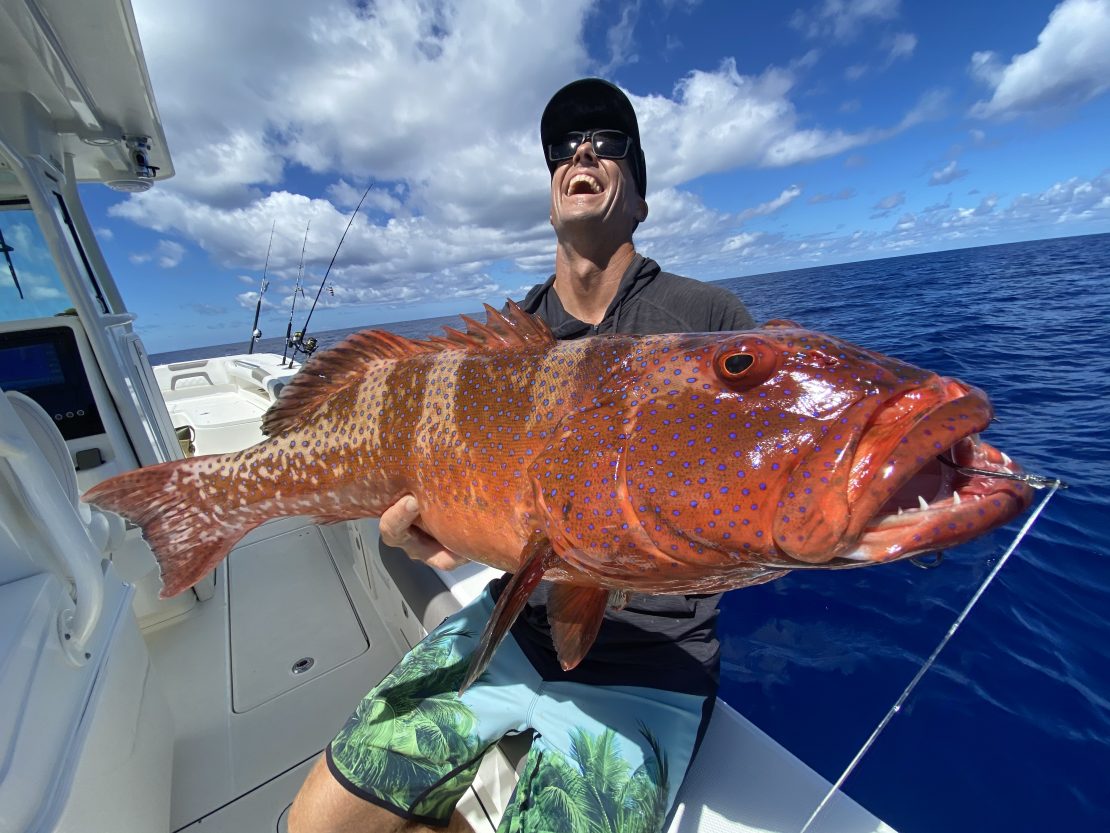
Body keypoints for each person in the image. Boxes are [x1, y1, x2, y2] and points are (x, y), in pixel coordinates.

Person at [289, 78, 755, 833]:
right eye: (563, 146)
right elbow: (452, 485)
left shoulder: (706, 326)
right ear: (549, 194)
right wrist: (426, 526)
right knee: (316, 823)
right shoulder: (509, 341)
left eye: (610, 143)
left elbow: (741, 499)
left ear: (640, 196)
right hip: (507, 628)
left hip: (652, 669)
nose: (583, 151)